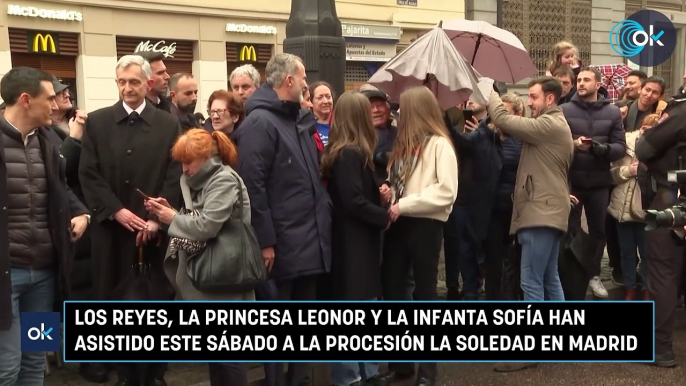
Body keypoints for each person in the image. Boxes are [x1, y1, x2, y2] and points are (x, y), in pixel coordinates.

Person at [79, 55, 182, 386]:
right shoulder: (98, 122)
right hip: (112, 232)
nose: (127, 88)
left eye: (134, 82)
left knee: (157, 304)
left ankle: (155, 372)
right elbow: (88, 174)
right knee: (114, 306)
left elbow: (175, 173)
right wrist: (115, 210)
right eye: (122, 82)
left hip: (153, 234)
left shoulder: (167, 124)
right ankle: (123, 371)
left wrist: (156, 219)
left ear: (148, 83)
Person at [233, 53, 331, 386]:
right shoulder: (261, 123)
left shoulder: (293, 119)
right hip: (282, 247)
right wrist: (266, 241)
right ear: (289, 80)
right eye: (303, 78)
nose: (307, 84)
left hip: (306, 243)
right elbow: (252, 186)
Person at [0, 66, 89, 385]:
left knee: (36, 359)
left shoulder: (50, 139)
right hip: (6, 278)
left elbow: (60, 187)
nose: (56, 105)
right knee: (7, 366)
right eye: (49, 99)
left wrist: (80, 212)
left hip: (45, 276)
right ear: (26, 99)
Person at [145, 128, 252, 386]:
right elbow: (194, 219)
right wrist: (168, 211)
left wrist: (171, 218)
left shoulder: (223, 179)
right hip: (210, 277)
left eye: (188, 161)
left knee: (228, 357)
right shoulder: (201, 181)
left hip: (225, 276)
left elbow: (206, 226)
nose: (184, 168)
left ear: (206, 157)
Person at [486, 77, 574, 372]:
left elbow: (501, 118)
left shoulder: (549, 125)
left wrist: (490, 91)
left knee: (531, 281)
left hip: (541, 213)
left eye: (534, 97)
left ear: (549, 99)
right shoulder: (553, 125)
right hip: (547, 212)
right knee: (549, 278)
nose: (530, 103)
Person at [378, 86, 458, 386]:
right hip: (399, 223)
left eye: (402, 108)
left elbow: (446, 191)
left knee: (426, 296)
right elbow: (398, 181)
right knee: (394, 292)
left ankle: (428, 370)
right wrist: (389, 190)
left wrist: (404, 204)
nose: (397, 112)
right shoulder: (402, 144)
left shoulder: (440, 145)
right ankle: (401, 365)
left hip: (425, 224)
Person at [320, 91, 389, 386]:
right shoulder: (349, 153)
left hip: (357, 243)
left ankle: (367, 372)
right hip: (352, 244)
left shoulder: (351, 152)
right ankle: (351, 377)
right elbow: (353, 201)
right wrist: (383, 215)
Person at [561, 67, 626, 299]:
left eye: (586, 80)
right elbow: (555, 142)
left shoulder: (612, 112)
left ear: (598, 84)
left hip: (599, 182)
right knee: (570, 229)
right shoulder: (564, 110)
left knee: (599, 231)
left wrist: (604, 149)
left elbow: (620, 147)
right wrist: (573, 144)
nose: (581, 83)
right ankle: (569, 273)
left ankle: (593, 273)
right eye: (578, 80)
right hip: (572, 181)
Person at [635, 94, 686, 368]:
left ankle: (660, 348)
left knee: (663, 273)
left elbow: (644, 149)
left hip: (674, 197)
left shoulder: (680, 113)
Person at [608, 114, 657, 300]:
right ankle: (629, 287)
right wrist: (627, 171)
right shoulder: (624, 144)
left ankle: (646, 289)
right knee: (626, 253)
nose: (647, 133)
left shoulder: (660, 148)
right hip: (622, 207)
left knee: (647, 254)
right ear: (640, 128)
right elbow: (610, 174)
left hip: (646, 210)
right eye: (645, 129)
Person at [310, 81, 334, 146]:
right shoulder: (306, 126)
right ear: (311, 101)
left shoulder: (341, 123)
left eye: (328, 97)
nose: (325, 101)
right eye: (320, 98)